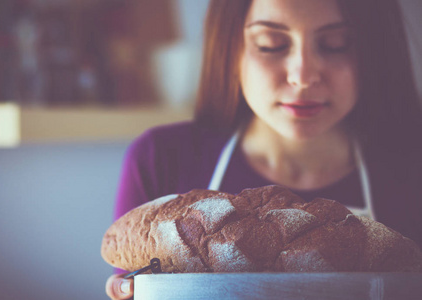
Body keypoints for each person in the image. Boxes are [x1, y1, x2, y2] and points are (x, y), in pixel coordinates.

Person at [105, 0, 422, 298]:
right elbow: (132, 281)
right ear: (230, 47)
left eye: (335, 44)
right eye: (271, 44)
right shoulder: (160, 159)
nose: (302, 76)